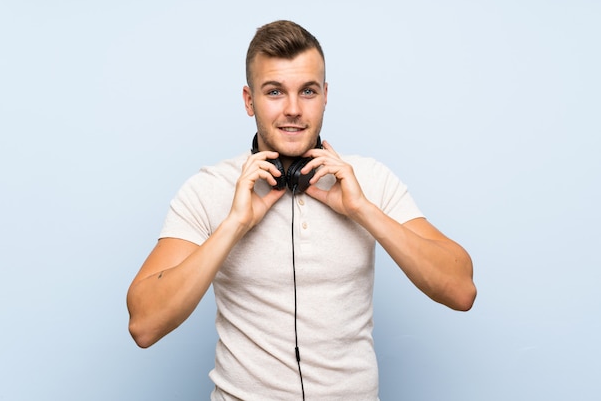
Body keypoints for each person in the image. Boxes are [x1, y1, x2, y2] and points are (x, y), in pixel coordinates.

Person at [127, 20, 476, 400]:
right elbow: (145, 325)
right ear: (249, 101)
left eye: (307, 91)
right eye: (274, 92)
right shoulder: (208, 189)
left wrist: (363, 210)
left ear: (325, 95)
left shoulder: (370, 180)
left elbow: (461, 291)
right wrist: (234, 224)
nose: (293, 109)